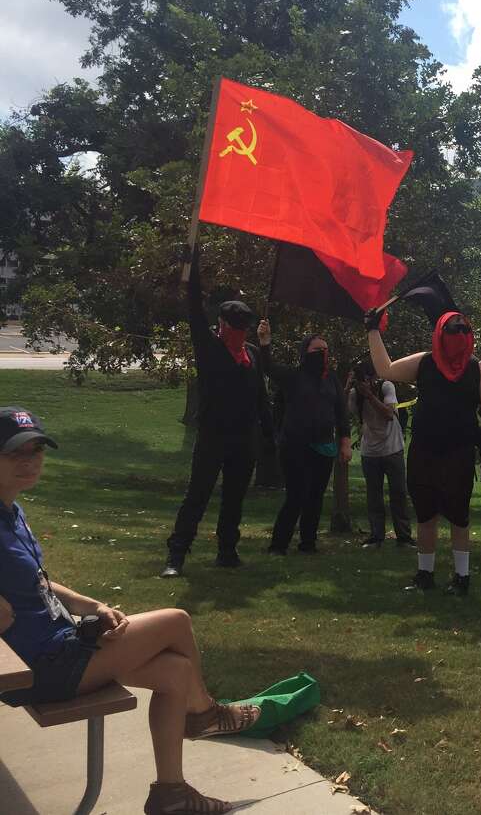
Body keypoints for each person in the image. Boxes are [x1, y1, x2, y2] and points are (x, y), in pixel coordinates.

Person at [0, 407, 261, 815]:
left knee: (176, 672)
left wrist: (92, 605)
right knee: (177, 621)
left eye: (36, 450)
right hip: (39, 668)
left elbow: (35, 580)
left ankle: (170, 795)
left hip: (63, 644)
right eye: (15, 452)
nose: (30, 460)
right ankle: (205, 714)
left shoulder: (11, 511)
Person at [367, 310, 481, 595]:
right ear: (441, 333)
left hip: (459, 451)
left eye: (465, 330)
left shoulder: (478, 368)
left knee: (458, 516)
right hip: (425, 450)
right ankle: (424, 574)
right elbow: (386, 369)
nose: (460, 336)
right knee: (425, 515)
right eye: (454, 330)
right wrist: (373, 331)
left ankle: (462, 578)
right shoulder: (425, 362)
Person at [162, 247, 271, 577]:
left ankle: (227, 550)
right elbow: (195, 309)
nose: (239, 331)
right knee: (197, 496)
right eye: (235, 325)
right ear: (222, 323)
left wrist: (268, 433)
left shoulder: (251, 353)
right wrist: (192, 268)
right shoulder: (209, 347)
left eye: (244, 326)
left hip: (243, 438)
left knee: (234, 499)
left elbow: (260, 394)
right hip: (213, 436)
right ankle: (176, 556)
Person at [259, 326, 351, 554]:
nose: (323, 353)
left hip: (323, 446)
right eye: (317, 349)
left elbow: (341, 411)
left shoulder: (332, 380)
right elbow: (268, 367)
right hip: (295, 446)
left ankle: (308, 543)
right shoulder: (293, 376)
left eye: (326, 349)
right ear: (305, 351)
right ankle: (278, 544)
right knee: (296, 495)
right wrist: (265, 342)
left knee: (315, 497)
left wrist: (345, 441)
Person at [348, 359, 413, 548]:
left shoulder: (386, 386)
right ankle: (376, 536)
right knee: (373, 495)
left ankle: (404, 537)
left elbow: (388, 414)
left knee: (398, 493)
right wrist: (347, 388)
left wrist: (370, 396)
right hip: (370, 451)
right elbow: (343, 412)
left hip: (392, 449)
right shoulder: (354, 394)